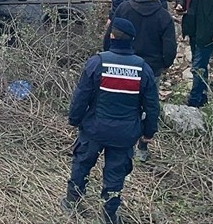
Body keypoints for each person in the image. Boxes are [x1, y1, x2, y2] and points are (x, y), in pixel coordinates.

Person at [64, 17, 160, 222]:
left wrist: (74, 119)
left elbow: (82, 96)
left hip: (95, 129)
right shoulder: (143, 69)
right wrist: (148, 132)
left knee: (82, 164)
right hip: (125, 134)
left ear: (113, 36)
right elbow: (152, 105)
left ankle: (72, 202)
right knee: (116, 176)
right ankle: (109, 214)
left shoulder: (98, 62)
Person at [110, 0, 178, 79]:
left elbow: (109, 36)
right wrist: (162, 66)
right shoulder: (164, 16)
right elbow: (170, 48)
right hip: (151, 69)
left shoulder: (124, 8)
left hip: (123, 66)